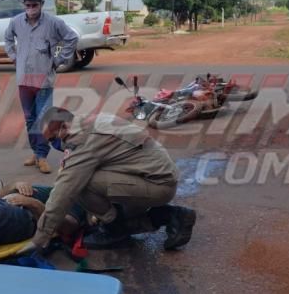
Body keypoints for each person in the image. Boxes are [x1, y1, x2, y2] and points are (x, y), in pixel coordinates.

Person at [27, 107, 197, 251]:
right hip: (148, 175)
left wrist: (39, 238)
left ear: (64, 127)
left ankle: (114, 231)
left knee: (81, 185)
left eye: (52, 139)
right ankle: (171, 215)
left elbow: (65, 189)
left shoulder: (83, 139)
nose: (53, 145)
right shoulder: (86, 121)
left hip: (157, 185)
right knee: (90, 185)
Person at [4, 0, 78, 174]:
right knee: (30, 120)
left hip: (44, 81)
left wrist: (60, 60)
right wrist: (13, 56)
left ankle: (43, 156)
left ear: (42, 4)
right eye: (27, 5)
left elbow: (72, 38)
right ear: (23, 4)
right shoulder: (16, 22)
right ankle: (37, 153)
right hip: (24, 81)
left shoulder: (53, 23)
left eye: (34, 5)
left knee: (43, 120)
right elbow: (7, 39)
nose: (31, 8)